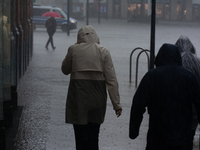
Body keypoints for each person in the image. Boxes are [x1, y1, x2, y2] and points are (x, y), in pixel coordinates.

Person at [61, 25, 122, 150]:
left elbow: (65, 70)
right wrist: (116, 104)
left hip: (78, 98)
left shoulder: (73, 49)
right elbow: (111, 80)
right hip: (97, 98)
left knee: (80, 136)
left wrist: (74, 49)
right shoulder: (104, 51)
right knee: (94, 135)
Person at [129, 43, 200, 150]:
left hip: (157, 137)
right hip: (183, 137)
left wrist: (134, 131)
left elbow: (138, 104)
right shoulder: (189, 77)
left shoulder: (151, 76)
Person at [175, 35, 200, 147]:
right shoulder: (198, 62)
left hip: (177, 106)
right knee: (189, 135)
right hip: (193, 108)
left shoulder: (175, 61)